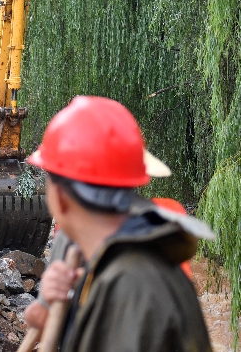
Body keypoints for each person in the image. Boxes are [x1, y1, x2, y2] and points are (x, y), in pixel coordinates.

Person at [24, 96, 213, 352]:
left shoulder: (133, 287)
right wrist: (51, 297)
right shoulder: (90, 250)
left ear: (60, 197)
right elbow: (42, 323)